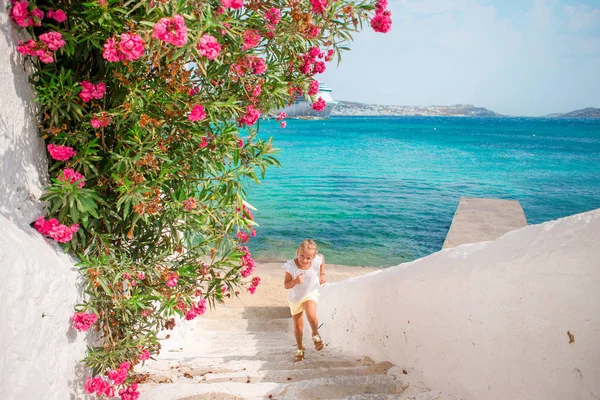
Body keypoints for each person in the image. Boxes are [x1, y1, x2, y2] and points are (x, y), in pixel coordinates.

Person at [283, 239, 326, 362]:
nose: (305, 260)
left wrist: (322, 275)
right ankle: (300, 348)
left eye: (308, 258)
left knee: (311, 316)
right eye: (302, 256)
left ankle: (315, 334)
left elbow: (322, 258)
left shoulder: (316, 260)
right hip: (295, 298)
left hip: (311, 293)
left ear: (313, 257)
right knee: (298, 327)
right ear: (297, 251)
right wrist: (295, 281)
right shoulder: (291, 266)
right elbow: (286, 285)